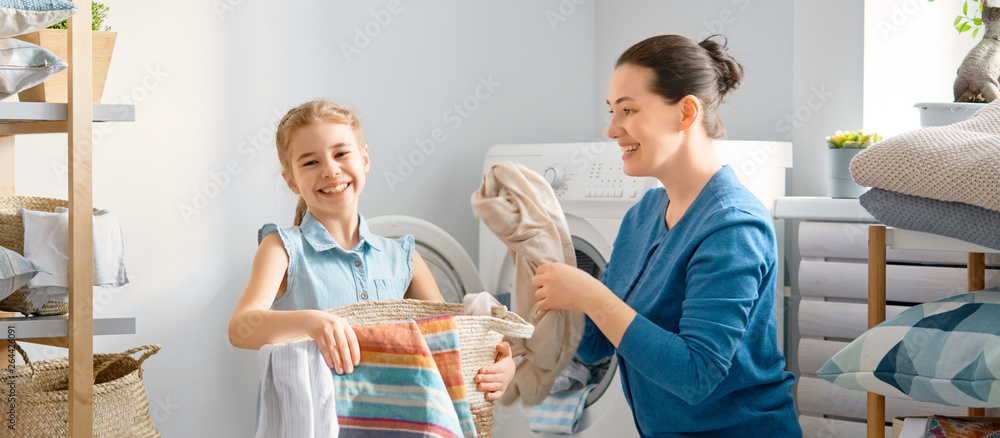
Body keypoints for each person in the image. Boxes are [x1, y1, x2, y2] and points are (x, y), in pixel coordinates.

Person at [532, 35, 801, 437]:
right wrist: (530, 342)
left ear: (686, 113)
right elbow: (595, 345)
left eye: (628, 110)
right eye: (611, 111)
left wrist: (589, 293)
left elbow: (696, 374)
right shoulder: (643, 216)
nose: (611, 129)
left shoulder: (734, 226)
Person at [228, 100, 516, 401]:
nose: (330, 170)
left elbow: (449, 340)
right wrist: (311, 322)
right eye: (310, 162)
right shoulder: (283, 248)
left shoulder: (403, 258)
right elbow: (240, 328)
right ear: (291, 180)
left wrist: (503, 365)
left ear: (364, 160)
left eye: (341, 153)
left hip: (394, 423)